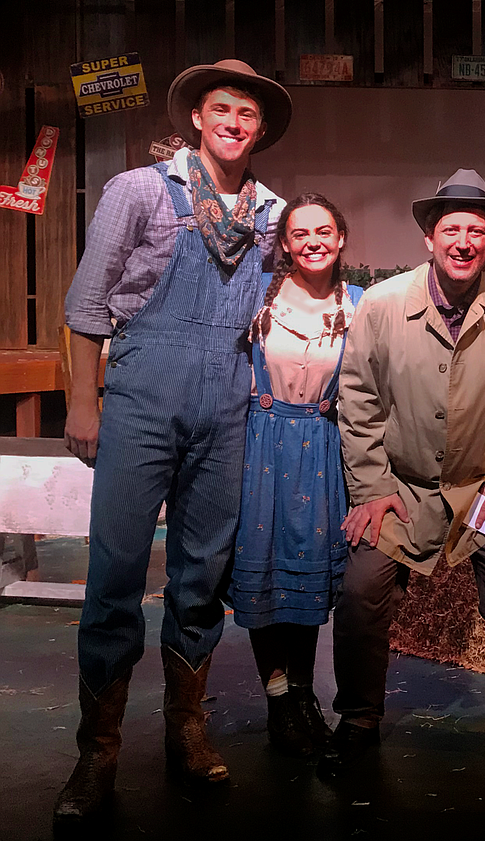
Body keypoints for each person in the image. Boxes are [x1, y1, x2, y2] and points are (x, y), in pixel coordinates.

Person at [56, 59, 290, 823]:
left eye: (247, 114)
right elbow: (87, 302)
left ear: (259, 129)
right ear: (197, 115)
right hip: (140, 395)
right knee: (116, 569)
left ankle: (187, 726)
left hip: (227, 405)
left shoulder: (272, 213)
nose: (233, 122)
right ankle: (98, 750)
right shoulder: (139, 190)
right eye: (221, 108)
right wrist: (84, 403)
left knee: (203, 575)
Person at [322, 169, 485, 778]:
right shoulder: (382, 303)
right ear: (429, 236)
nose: (462, 241)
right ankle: (358, 717)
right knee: (359, 594)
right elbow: (359, 397)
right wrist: (371, 488)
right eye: (450, 228)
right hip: (401, 487)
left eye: (475, 230)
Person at [230, 193, 363, 756]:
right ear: (284, 243)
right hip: (260, 446)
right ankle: (279, 700)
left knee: (305, 581)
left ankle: (305, 694)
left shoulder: (358, 304)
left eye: (324, 231)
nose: (313, 241)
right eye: (300, 232)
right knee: (263, 577)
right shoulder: (257, 298)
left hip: (321, 447)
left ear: (340, 240)